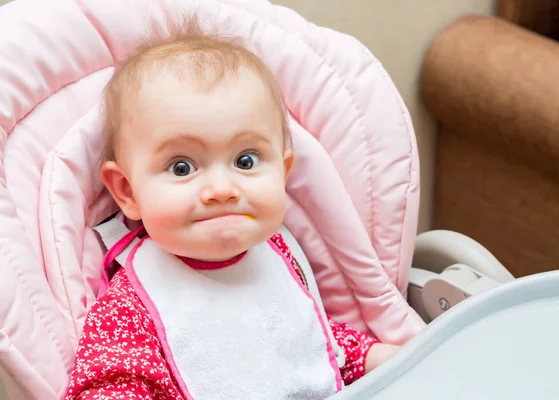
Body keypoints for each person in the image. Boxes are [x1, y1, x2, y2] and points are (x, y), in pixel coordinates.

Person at [65, 19, 400, 400]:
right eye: (182, 167)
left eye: (245, 161)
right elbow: (106, 388)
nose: (221, 190)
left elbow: (312, 342)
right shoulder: (133, 305)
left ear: (283, 173)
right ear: (128, 192)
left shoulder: (278, 254)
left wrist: (382, 357)